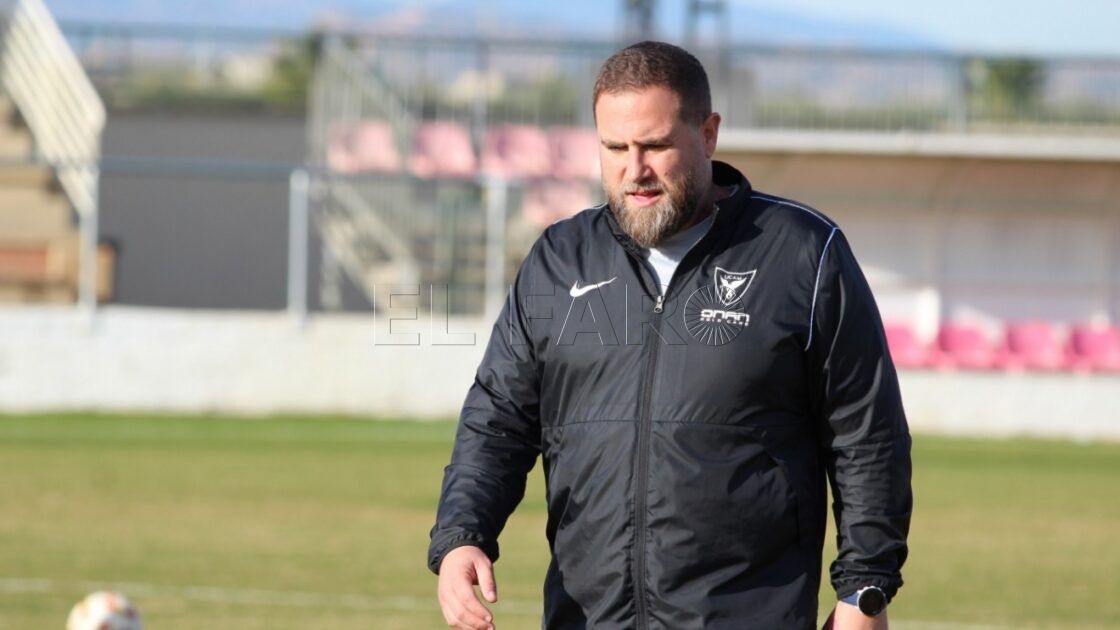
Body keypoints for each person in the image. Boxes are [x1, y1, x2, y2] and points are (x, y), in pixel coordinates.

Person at [429, 40, 912, 630]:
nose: (634, 170)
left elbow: (867, 434)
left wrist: (865, 589)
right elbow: (497, 419)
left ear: (708, 134)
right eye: (614, 148)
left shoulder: (804, 253)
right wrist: (462, 536)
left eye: (655, 145)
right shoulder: (559, 258)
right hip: (588, 618)